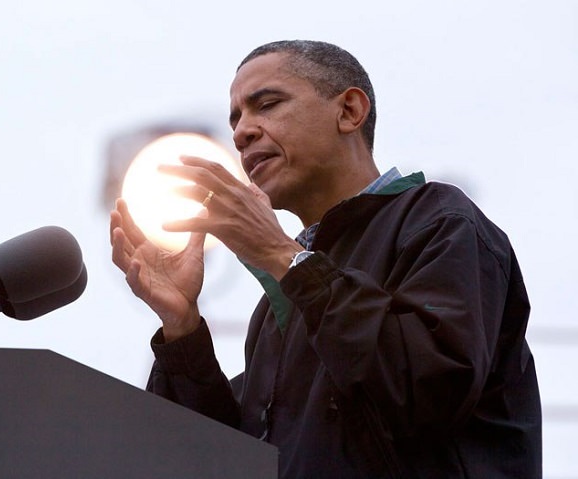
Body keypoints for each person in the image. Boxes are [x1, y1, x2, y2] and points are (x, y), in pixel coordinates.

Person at [110, 40, 541, 478]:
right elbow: (231, 460)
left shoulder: (440, 222)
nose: (241, 133)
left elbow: (427, 391)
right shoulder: (279, 304)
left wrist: (283, 255)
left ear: (350, 111)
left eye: (267, 104)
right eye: (236, 118)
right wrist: (182, 330)